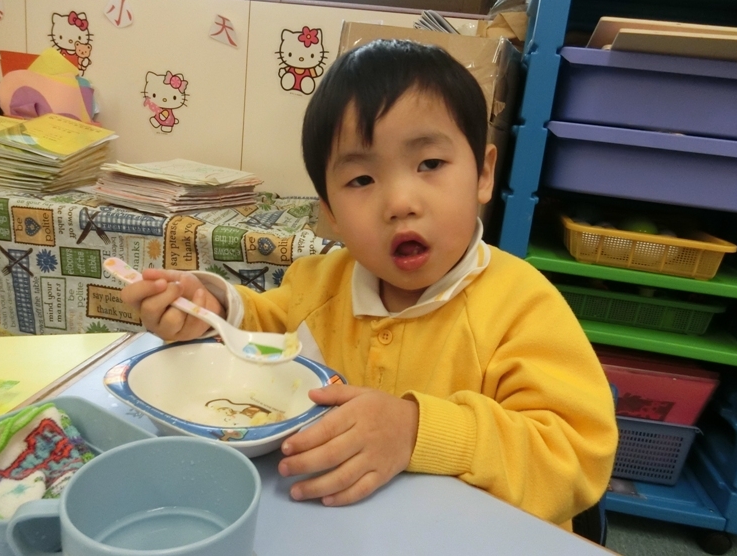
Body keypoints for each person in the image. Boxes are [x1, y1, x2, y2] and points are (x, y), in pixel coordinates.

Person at [121, 39, 618, 532]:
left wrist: (418, 431)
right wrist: (211, 311)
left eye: (430, 164)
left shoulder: (523, 306)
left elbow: (575, 456)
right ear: (331, 214)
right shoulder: (318, 284)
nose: (400, 202)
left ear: (484, 174)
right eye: (361, 180)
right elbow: (265, 338)